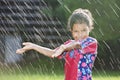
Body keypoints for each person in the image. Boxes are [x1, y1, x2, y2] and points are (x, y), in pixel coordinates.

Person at [16, 8, 98, 80]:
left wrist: (63, 47)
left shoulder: (91, 43)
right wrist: (34, 46)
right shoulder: (68, 44)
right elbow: (53, 53)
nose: (80, 34)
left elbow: (78, 45)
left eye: (84, 30)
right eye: (76, 31)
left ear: (90, 28)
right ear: (71, 31)